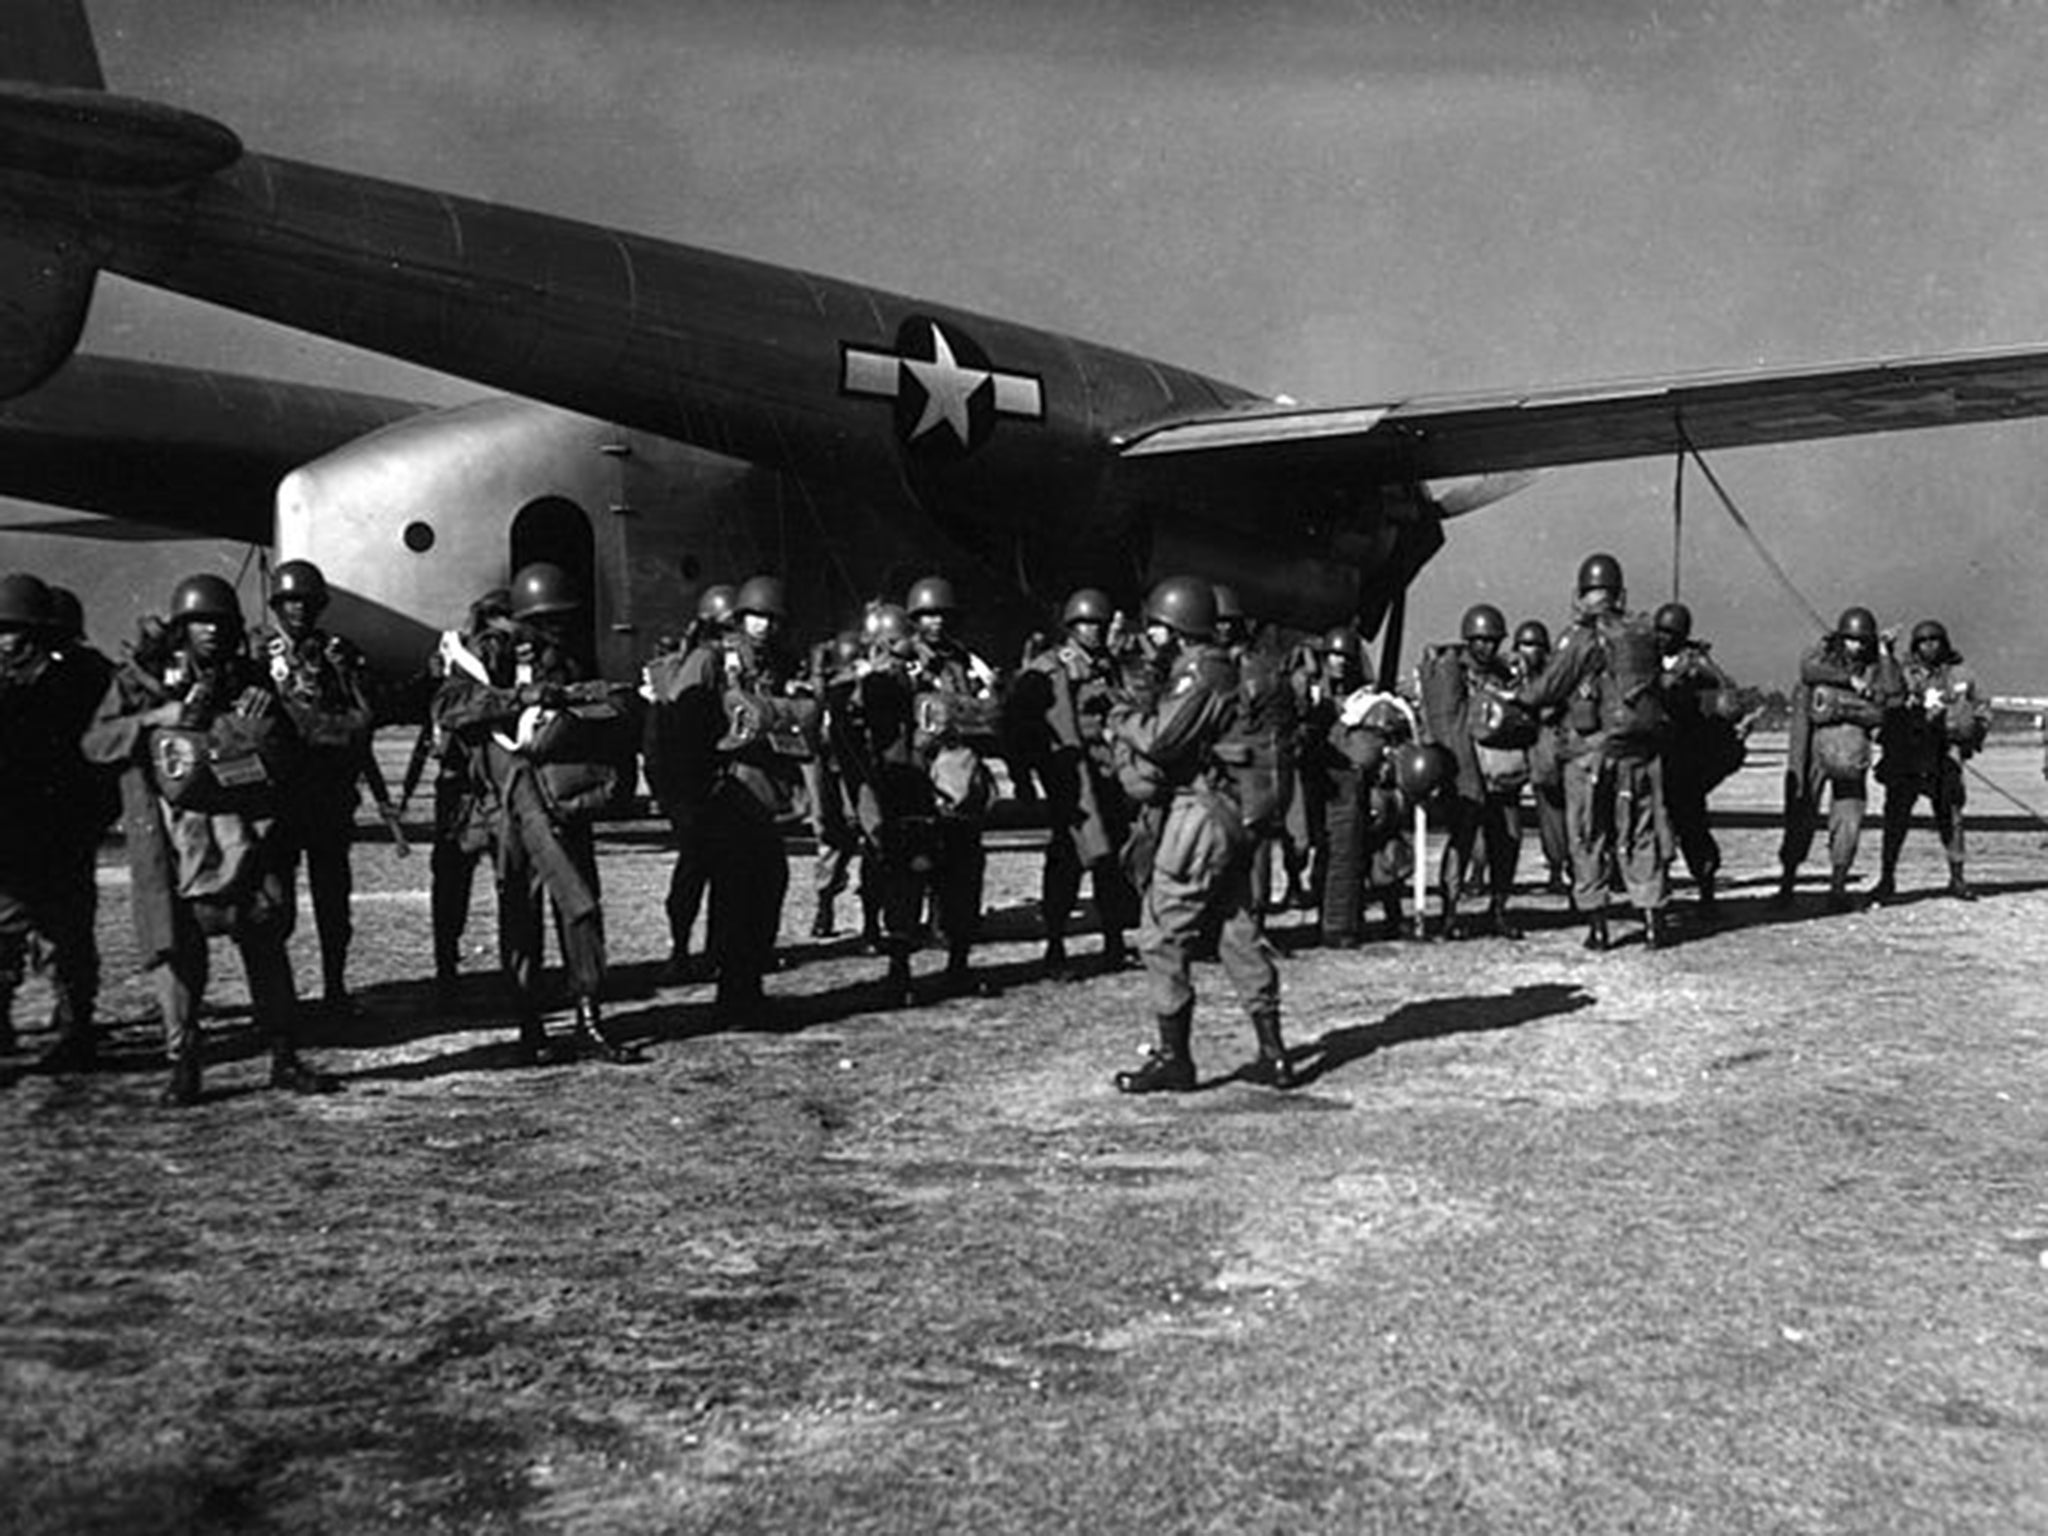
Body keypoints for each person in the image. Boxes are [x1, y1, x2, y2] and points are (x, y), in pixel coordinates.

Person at [81, 573, 339, 1104]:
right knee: (173, 951)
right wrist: (158, 717)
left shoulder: (251, 680)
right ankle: (184, 1063)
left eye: (221, 623)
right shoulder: (140, 680)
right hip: (169, 841)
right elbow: (97, 743)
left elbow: (285, 752)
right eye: (201, 622)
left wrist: (252, 727)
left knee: (265, 936)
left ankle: (284, 1056)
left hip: (243, 830)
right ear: (182, 627)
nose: (212, 633)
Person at [434, 561, 638, 1064]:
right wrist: (520, 697)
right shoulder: (491, 650)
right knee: (521, 913)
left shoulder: (569, 652)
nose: (556, 630)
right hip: (508, 800)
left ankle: (589, 1016)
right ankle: (529, 1024)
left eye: (563, 619)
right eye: (545, 621)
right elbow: (449, 707)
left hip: (562, 797)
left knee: (581, 907)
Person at [1108, 575, 1293, 1093]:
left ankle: (1174, 1058)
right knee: (1236, 930)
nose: (1153, 637)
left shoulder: (1201, 671)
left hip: (1203, 814)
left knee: (1162, 931)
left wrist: (1122, 719)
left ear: (1176, 626)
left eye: (1159, 628)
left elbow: (1164, 740)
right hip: (1238, 814)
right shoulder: (1243, 668)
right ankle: (1274, 1053)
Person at [1516, 553, 1672, 950]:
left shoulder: (1582, 637)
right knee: (1639, 832)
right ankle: (1652, 920)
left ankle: (1598, 927)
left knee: (1588, 835)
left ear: (1582, 593)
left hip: (1589, 755)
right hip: (1636, 753)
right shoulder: (1641, 634)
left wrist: (1519, 693)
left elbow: (1546, 689)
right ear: (1619, 593)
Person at [256, 559, 381, 1013]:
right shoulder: (258, 654)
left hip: (328, 795)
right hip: (281, 796)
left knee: (333, 900)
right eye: (289, 602)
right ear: (275, 605)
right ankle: (280, 998)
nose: (298, 611)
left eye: (307, 603)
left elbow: (364, 718)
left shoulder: (337, 654)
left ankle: (335, 987)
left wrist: (314, 726)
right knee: (277, 902)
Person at [1005, 587, 1136, 976]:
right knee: (1067, 863)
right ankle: (1056, 946)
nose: (1092, 631)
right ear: (1070, 627)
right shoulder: (1050, 667)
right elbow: (1018, 725)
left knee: (1113, 864)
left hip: (1108, 777)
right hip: (1071, 782)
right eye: (1083, 624)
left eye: (1096, 624)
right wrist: (1024, 776)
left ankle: (1114, 940)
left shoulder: (1108, 665)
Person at [702, 574, 814, 1021]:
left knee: (769, 884)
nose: (763, 625)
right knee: (734, 892)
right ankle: (732, 992)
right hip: (730, 791)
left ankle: (750, 985)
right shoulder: (715, 661)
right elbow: (687, 720)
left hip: (768, 790)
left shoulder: (779, 665)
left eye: (771, 618)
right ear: (739, 617)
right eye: (755, 617)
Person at [35, 584, 118, 1070]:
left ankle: (73, 1023)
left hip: (61, 827)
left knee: (64, 932)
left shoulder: (76, 679)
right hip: (56, 827)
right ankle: (72, 1021)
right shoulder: (91, 674)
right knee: (65, 932)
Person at [905, 574, 1001, 995]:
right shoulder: (904, 660)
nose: (936, 623)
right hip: (920, 773)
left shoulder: (964, 660)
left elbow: (987, 712)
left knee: (964, 870)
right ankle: (902, 969)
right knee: (913, 869)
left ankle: (958, 960)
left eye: (942, 615)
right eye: (927, 615)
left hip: (960, 773)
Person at [1773, 606, 1901, 912]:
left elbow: (1893, 692)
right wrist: (1851, 680)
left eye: (1862, 641)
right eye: (1850, 640)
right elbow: (1808, 669)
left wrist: (1885, 652)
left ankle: (1838, 886)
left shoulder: (1877, 664)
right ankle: (1787, 882)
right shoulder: (1824, 656)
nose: (1856, 646)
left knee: (1848, 819)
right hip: (1814, 745)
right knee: (1800, 812)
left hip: (1852, 747)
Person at [641, 583, 733, 981]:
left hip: (686, 780)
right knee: (702, 867)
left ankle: (697, 951)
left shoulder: (692, 659)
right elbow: (690, 719)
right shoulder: (705, 662)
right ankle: (687, 952)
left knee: (702, 867)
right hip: (698, 781)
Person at [1417, 603, 1525, 939]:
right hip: (1466, 772)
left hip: (1497, 771)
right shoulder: (1451, 670)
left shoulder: (1502, 673)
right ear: (1469, 640)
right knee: (1462, 843)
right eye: (1481, 640)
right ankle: (1449, 914)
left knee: (1508, 841)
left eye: (1494, 640)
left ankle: (1498, 910)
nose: (1488, 647)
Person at [425, 586, 511, 1001]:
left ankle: (515, 972)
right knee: (453, 882)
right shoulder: (462, 664)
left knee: (508, 880)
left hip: (496, 784)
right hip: (463, 788)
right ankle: (446, 970)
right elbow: (449, 710)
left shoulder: (512, 660)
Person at [1874, 619, 1988, 902]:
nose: (1929, 646)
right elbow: (1888, 697)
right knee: (1895, 817)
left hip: (1945, 755)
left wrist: (1971, 736)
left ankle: (1957, 877)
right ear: (1915, 646)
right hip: (1908, 755)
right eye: (1923, 641)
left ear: (1945, 642)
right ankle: (1887, 878)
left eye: (1935, 640)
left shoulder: (1962, 674)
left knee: (1951, 816)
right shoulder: (1902, 673)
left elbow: (1982, 708)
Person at [1654, 602, 1747, 918]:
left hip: (1685, 759)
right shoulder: (1646, 658)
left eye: (1671, 633)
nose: (1664, 638)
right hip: (1655, 756)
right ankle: (1658, 895)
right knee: (1654, 830)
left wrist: (1704, 667)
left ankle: (1706, 889)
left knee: (1693, 829)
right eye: (1661, 631)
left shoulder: (1697, 664)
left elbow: (1729, 702)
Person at [1511, 619, 1570, 896]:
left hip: (1551, 749)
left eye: (1533, 646)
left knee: (1562, 813)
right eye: (1523, 645)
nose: (1528, 651)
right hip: (1529, 752)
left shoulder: (1554, 677)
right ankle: (1557, 868)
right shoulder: (1513, 674)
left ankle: (1565, 868)